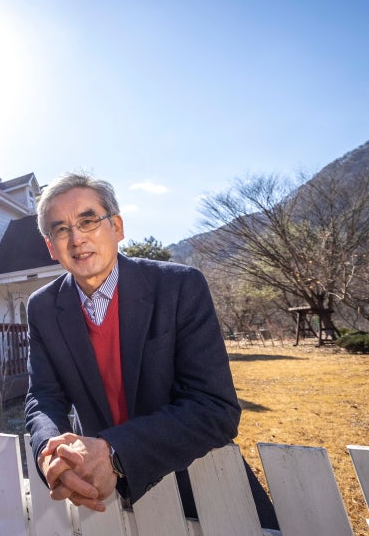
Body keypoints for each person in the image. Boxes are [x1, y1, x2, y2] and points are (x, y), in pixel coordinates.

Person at [24, 172, 277, 528]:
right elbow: (43, 396)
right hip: (100, 497)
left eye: (88, 221)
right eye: (61, 229)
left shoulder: (179, 286)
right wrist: (51, 452)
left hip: (198, 481)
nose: (77, 238)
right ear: (51, 246)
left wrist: (113, 452)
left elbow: (215, 408)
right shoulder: (43, 307)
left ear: (116, 227)